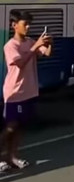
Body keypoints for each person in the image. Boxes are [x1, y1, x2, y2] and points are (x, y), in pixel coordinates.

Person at [1, 11, 52, 173]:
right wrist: (35, 46)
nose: (28, 27)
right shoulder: (10, 46)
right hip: (14, 92)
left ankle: (13, 156)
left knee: (21, 126)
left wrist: (49, 42)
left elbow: (47, 53)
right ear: (14, 25)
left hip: (29, 91)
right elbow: (20, 63)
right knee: (10, 126)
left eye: (30, 24)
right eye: (25, 24)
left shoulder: (30, 41)